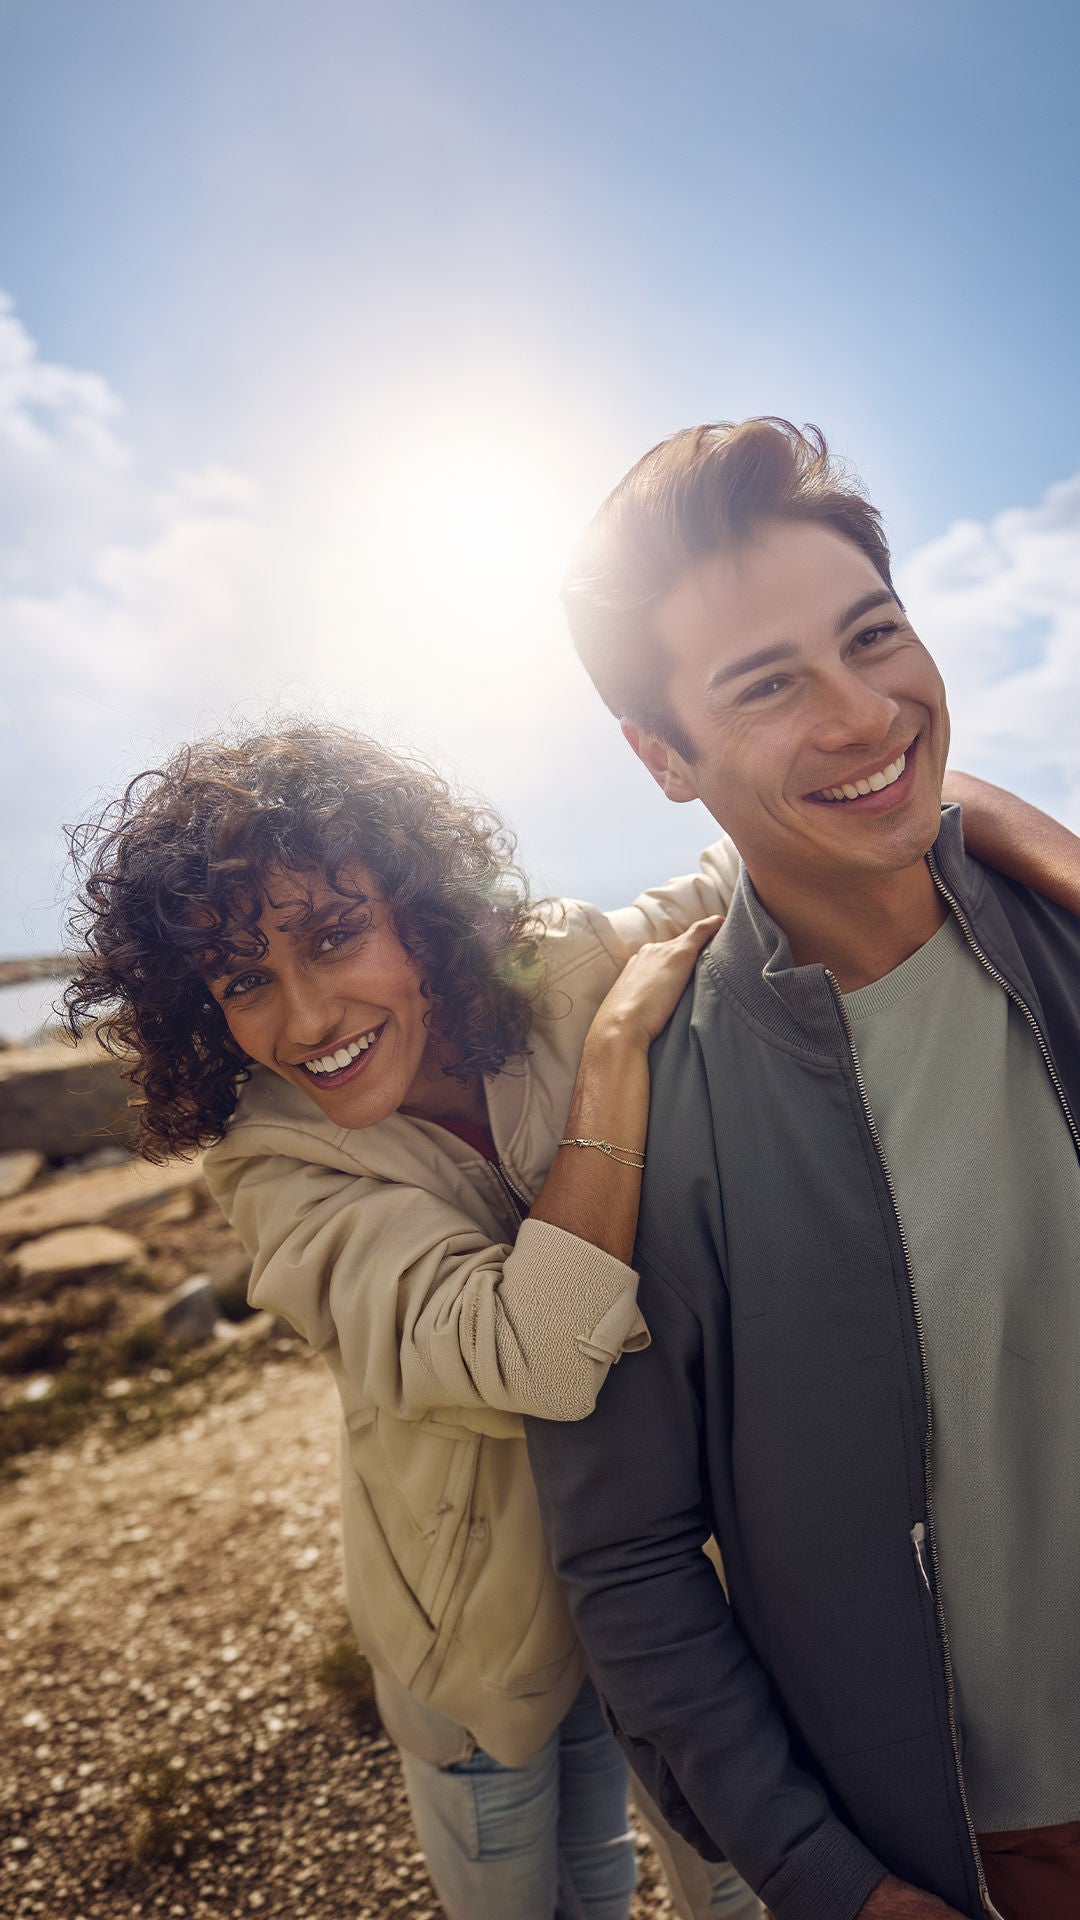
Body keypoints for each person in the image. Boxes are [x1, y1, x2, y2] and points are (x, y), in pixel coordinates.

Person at [526, 418, 1080, 1920]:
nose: (864, 715)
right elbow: (629, 1558)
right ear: (662, 756)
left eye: (875, 638)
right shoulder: (654, 1118)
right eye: (769, 684)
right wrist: (828, 1881)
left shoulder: (1065, 926)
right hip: (987, 1859)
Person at [64, 725, 760, 1920]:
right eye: (242, 981)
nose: (303, 1018)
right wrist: (614, 1064)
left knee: (740, 1887)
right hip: (471, 1635)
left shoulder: (565, 967)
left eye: (334, 935)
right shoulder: (274, 1163)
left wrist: (1012, 829)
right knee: (551, 1894)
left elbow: (777, 847)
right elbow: (533, 1352)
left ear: (422, 910)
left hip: (678, 1587)